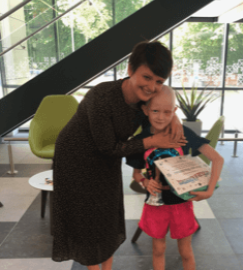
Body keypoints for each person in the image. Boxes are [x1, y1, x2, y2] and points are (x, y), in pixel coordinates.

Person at [51, 41, 188, 270]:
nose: (152, 87)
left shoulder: (146, 100)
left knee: (108, 213)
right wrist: (153, 140)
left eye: (159, 81)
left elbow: (161, 107)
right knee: (87, 219)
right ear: (130, 69)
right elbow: (109, 148)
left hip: (108, 156)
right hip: (76, 157)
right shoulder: (102, 97)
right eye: (147, 77)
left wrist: (174, 118)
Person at [126, 86, 224, 270]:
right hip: (155, 206)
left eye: (167, 112)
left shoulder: (183, 133)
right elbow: (136, 174)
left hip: (181, 204)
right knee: (158, 250)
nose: (161, 117)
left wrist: (209, 190)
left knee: (186, 251)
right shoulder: (141, 140)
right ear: (146, 110)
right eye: (155, 111)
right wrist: (145, 181)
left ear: (174, 111)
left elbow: (217, 159)